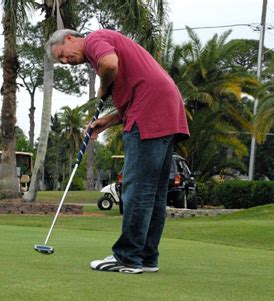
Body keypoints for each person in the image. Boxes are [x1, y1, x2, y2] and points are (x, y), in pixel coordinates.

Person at [46, 29, 189, 274]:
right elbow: (136, 95)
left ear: (69, 38)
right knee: (154, 191)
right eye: (60, 61)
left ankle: (127, 257)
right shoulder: (105, 44)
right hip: (165, 108)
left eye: (63, 55)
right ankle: (146, 257)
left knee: (136, 188)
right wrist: (109, 121)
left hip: (150, 112)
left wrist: (102, 88)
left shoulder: (93, 41)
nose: (65, 62)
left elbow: (109, 64)